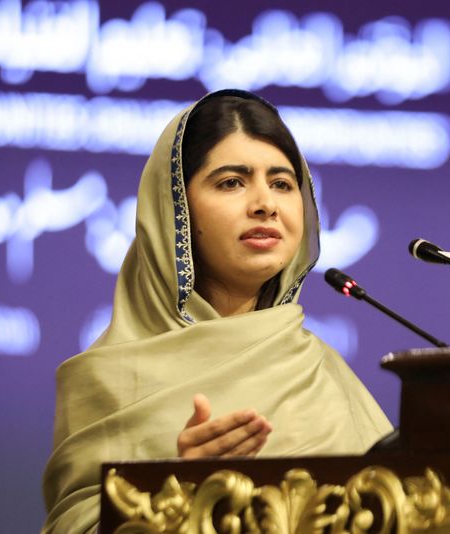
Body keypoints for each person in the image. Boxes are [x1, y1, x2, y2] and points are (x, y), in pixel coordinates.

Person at [41, 89, 392, 533]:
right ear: (176, 210)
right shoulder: (107, 380)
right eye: (232, 182)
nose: (265, 203)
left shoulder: (321, 371)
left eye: (283, 183)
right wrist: (182, 497)